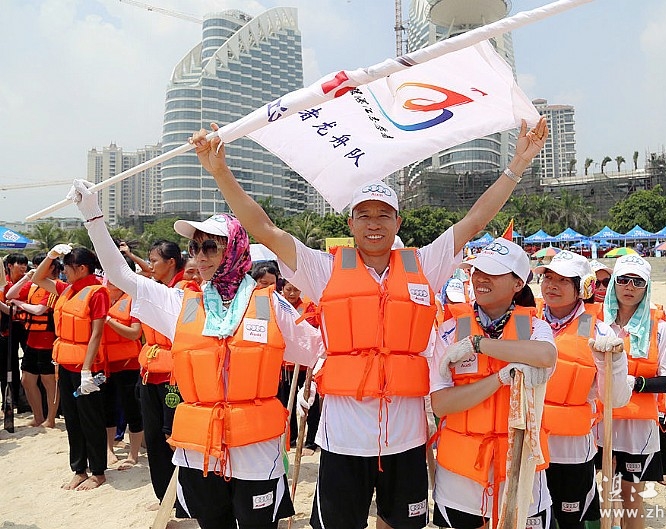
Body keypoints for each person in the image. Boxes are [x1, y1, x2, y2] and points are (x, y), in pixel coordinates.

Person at [190, 117, 548, 529]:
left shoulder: (424, 265)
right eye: (363, 215)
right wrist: (220, 171)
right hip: (342, 439)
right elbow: (265, 229)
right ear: (351, 224)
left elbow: (475, 221)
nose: (374, 223)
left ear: (398, 223)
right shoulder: (323, 270)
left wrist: (517, 165)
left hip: (406, 439)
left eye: (383, 215)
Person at [67, 180, 324, 529]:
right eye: (194, 247)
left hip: (255, 447)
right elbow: (121, 275)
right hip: (200, 447)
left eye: (210, 248)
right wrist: (93, 216)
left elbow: (320, 349)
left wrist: (315, 388)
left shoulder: (271, 304)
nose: (199, 257)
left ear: (234, 251)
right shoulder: (181, 303)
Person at [431, 238, 557, 529]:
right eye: (477, 271)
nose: (481, 279)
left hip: (521, 469)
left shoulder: (536, 327)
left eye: (493, 273)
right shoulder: (449, 329)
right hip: (461, 476)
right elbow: (441, 404)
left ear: (517, 283)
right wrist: (500, 378)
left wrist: (478, 344)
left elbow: (546, 355)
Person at [535, 251, 631, 529]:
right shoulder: (526, 322)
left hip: (572, 450)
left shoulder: (601, 333)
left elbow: (617, 399)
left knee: (570, 521)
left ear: (583, 288)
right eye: (548, 277)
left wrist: (613, 362)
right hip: (529, 444)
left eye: (563, 280)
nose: (551, 285)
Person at [596, 255, 666, 529]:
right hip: (602, 422)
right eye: (623, 280)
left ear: (647, 287)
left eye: (638, 282)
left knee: (631, 497)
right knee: (607, 493)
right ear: (614, 283)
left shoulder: (660, 328)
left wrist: (633, 383)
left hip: (638, 429)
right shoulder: (597, 322)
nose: (629, 287)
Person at [32, 245, 110, 491]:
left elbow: (96, 333)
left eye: (67, 267)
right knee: (72, 419)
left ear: (82, 268)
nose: (63, 271)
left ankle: (98, 472)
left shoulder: (97, 292)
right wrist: (51, 256)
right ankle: (79, 469)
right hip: (65, 364)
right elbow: (37, 278)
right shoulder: (66, 289)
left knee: (90, 418)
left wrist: (86, 370)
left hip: (88, 367)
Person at [138, 240, 198, 514]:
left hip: (175, 377)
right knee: (153, 439)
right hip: (150, 374)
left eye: (154, 260)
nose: (150, 265)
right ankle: (165, 498)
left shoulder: (187, 291)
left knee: (175, 440)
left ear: (171, 262)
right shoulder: (155, 289)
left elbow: (191, 332)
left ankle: (186, 501)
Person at [6, 254, 64, 427]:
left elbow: (39, 310)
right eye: (37, 266)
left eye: (41, 266)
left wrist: (18, 303)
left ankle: (50, 419)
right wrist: (26, 278)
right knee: (27, 380)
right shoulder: (33, 285)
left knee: (48, 381)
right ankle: (38, 416)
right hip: (32, 338)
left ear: (51, 268)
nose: (37, 269)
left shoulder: (55, 287)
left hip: (48, 339)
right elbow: (10, 294)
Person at [101, 275, 144, 470]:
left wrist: (109, 320)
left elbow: (135, 333)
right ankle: (109, 449)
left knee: (131, 409)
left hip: (128, 364)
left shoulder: (132, 300)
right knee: (107, 409)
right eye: (108, 276)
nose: (110, 280)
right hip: (105, 364)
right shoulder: (101, 298)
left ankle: (133, 454)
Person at [280, 279, 320, 453]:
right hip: (285, 367)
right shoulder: (278, 306)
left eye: (296, 290)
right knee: (286, 404)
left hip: (305, 366)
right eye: (288, 289)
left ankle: (311, 440)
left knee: (310, 403)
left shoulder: (308, 307)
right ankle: (292, 438)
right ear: (282, 289)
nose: (292, 293)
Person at [1, 253, 30, 413]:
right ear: (10, 266)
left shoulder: (29, 282)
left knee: (28, 364)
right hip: (7, 328)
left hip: (26, 326)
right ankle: (10, 401)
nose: (24, 267)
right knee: (8, 365)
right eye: (20, 264)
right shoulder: (3, 283)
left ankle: (26, 400)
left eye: (25, 264)